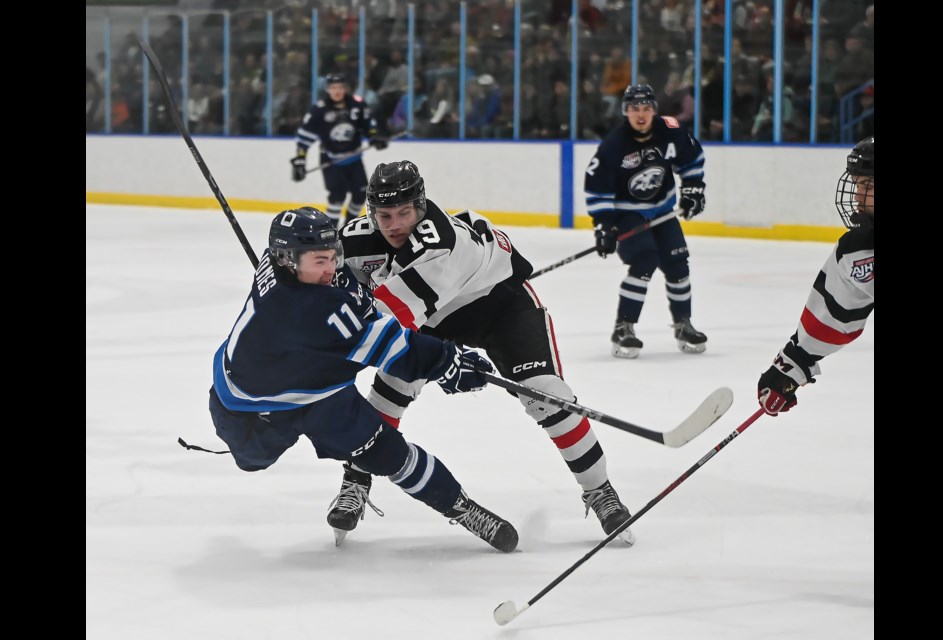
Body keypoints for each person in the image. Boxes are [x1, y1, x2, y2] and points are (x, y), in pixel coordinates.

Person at [333, 161, 635, 544]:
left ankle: (599, 489)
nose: (393, 224)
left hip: (498, 306)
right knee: (385, 399)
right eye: (384, 215)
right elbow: (310, 263)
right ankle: (356, 480)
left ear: (421, 206)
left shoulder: (441, 245)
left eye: (404, 213)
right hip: (430, 317)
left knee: (546, 396)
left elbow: (380, 323)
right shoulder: (356, 239)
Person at [208, 206, 519, 553]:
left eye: (332, 257)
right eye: (319, 262)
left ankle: (462, 507)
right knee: (252, 460)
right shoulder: (312, 311)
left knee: (387, 453)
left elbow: (361, 314)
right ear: (287, 261)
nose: (331, 269)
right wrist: (447, 362)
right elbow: (391, 348)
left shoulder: (282, 264)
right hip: (250, 405)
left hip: (318, 389)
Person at [585, 83, 709, 359]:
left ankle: (683, 325)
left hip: (662, 211)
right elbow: (597, 187)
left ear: (654, 110)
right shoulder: (613, 145)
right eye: (634, 109)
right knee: (644, 260)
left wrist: (693, 189)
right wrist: (603, 225)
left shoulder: (671, 130)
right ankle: (623, 327)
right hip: (626, 214)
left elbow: (692, 159)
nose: (640, 115)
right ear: (625, 112)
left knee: (678, 263)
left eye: (646, 108)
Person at [757, 137, 874, 416]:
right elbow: (836, 315)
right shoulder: (857, 250)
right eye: (857, 185)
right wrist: (791, 365)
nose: (857, 197)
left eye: (867, 186)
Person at [290, 73, 390, 228]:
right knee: (337, 197)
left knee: (360, 195)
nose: (337, 91)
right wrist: (300, 160)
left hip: (354, 159)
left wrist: (375, 137)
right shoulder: (319, 110)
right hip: (331, 160)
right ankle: (331, 231)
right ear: (328, 89)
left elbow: (369, 126)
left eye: (340, 87)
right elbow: (304, 138)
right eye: (333, 88)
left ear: (345, 88)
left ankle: (347, 226)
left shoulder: (357, 105)